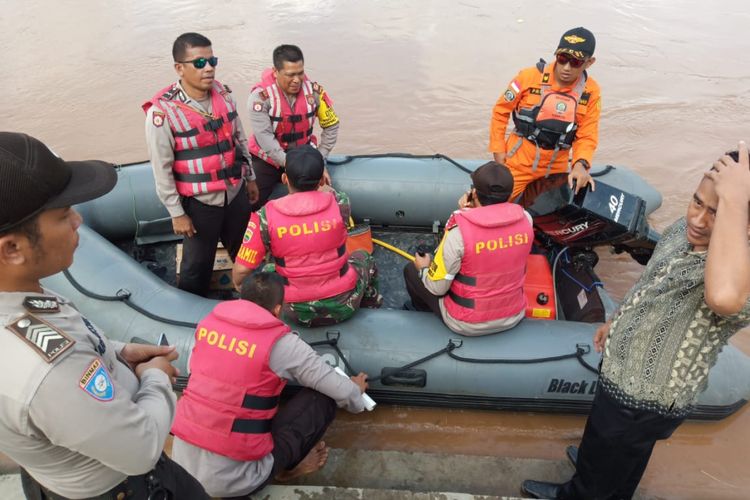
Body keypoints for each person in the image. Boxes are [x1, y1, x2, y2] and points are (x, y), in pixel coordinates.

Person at [521, 141, 750, 499]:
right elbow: (653, 279)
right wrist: (618, 320)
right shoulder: (685, 231)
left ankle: (581, 493)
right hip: (621, 370)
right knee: (611, 447)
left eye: (717, 213)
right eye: (697, 202)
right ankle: (599, 474)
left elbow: (723, 298)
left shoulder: (739, 270)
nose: (697, 220)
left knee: (615, 454)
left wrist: (736, 200)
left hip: (647, 396)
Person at [0, 132, 209, 499]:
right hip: (120, 486)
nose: (79, 221)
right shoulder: (45, 371)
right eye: (64, 215)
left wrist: (117, 352)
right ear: (12, 248)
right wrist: (156, 378)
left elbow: (64, 332)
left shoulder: (18, 292)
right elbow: (141, 449)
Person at [171, 271, 369, 498]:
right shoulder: (283, 345)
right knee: (322, 398)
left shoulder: (207, 325)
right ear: (277, 309)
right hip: (237, 481)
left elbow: (197, 371)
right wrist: (356, 393)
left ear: (241, 298)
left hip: (182, 467)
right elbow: (340, 390)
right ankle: (284, 470)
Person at [143, 32, 259, 297]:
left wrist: (250, 178)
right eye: (199, 63)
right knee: (197, 266)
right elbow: (161, 167)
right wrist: (176, 212)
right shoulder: (162, 113)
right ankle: (192, 316)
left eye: (212, 61)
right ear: (179, 68)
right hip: (200, 202)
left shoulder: (224, 94)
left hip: (234, 190)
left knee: (245, 252)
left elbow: (239, 139)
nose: (208, 68)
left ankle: (254, 301)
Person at [232, 145, 380, 327]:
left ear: (284, 178)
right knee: (364, 257)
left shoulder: (264, 217)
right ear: (320, 181)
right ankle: (371, 303)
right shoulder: (340, 202)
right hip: (344, 304)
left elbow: (241, 271)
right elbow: (328, 198)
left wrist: (239, 286)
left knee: (269, 269)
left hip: (291, 310)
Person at [403, 161, 534, 336]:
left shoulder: (459, 233)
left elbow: (438, 288)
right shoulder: (526, 219)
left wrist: (424, 268)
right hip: (513, 314)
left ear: (474, 193)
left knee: (411, 270)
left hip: (467, 322)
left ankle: (422, 314)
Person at [489, 27, 601, 201]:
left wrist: (580, 164)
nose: (566, 67)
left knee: (554, 214)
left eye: (575, 62)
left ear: (589, 62)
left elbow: (587, 135)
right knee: (492, 204)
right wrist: (498, 149)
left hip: (556, 164)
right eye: (562, 59)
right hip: (519, 159)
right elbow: (500, 111)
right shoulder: (528, 77)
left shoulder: (591, 92)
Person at [247, 44, 340, 209]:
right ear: (275, 72)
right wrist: (290, 164)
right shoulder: (260, 99)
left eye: (300, 73)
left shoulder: (316, 92)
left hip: (305, 155)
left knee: (322, 199)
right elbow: (265, 138)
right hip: (268, 160)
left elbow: (331, 125)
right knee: (250, 202)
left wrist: (319, 157)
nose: (297, 80)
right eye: (290, 75)